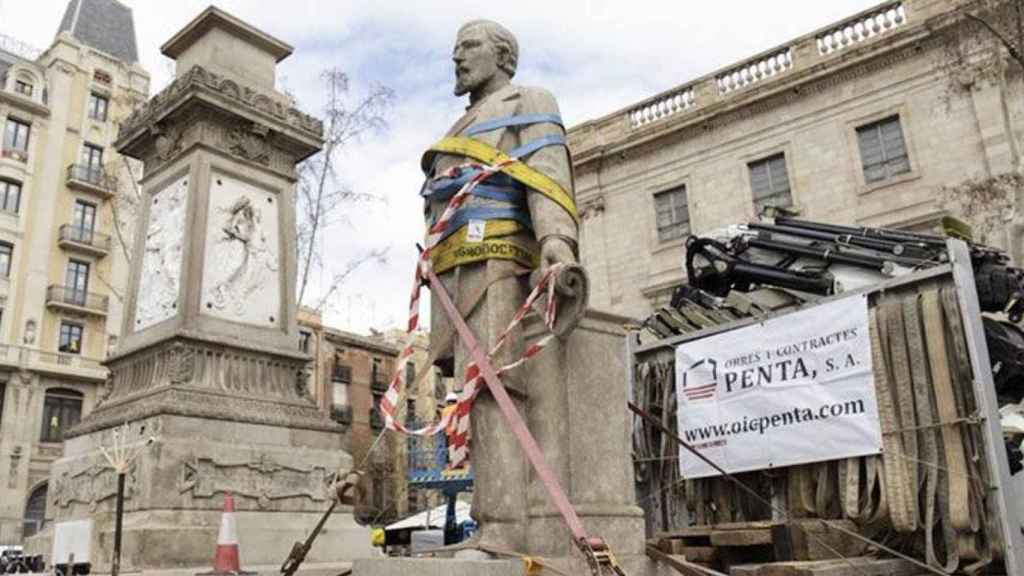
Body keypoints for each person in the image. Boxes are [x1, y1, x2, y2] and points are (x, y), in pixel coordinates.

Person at [418, 19, 579, 552]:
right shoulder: (458, 125)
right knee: (471, 394)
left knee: (495, 387)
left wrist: (557, 240)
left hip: (500, 260)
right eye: (455, 48)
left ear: (503, 55)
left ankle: (506, 527)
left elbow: (547, 172)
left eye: (469, 46)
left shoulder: (527, 99)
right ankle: (494, 522)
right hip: (453, 271)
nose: (457, 58)